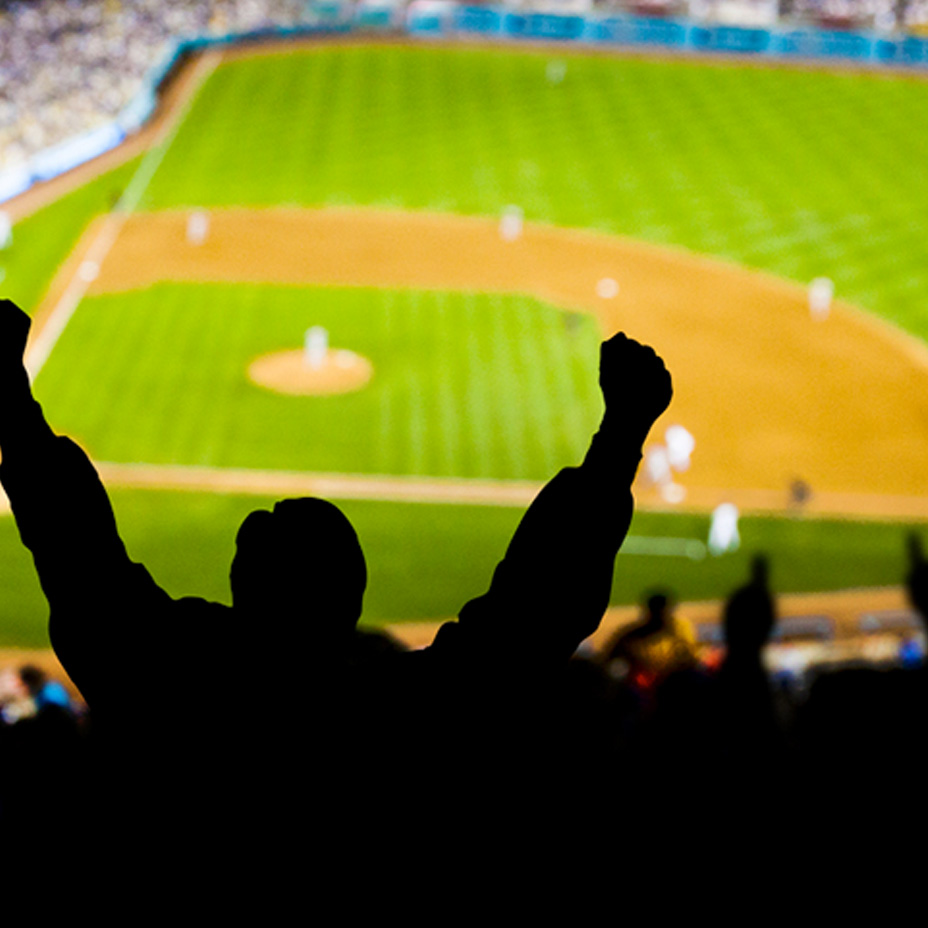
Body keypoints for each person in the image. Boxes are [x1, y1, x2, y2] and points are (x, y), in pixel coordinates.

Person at [0, 298, 672, 866]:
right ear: (353, 602)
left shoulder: (162, 681)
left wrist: (10, 400)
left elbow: (78, 556)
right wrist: (619, 437)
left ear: (237, 585)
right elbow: (529, 625)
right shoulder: (400, 718)